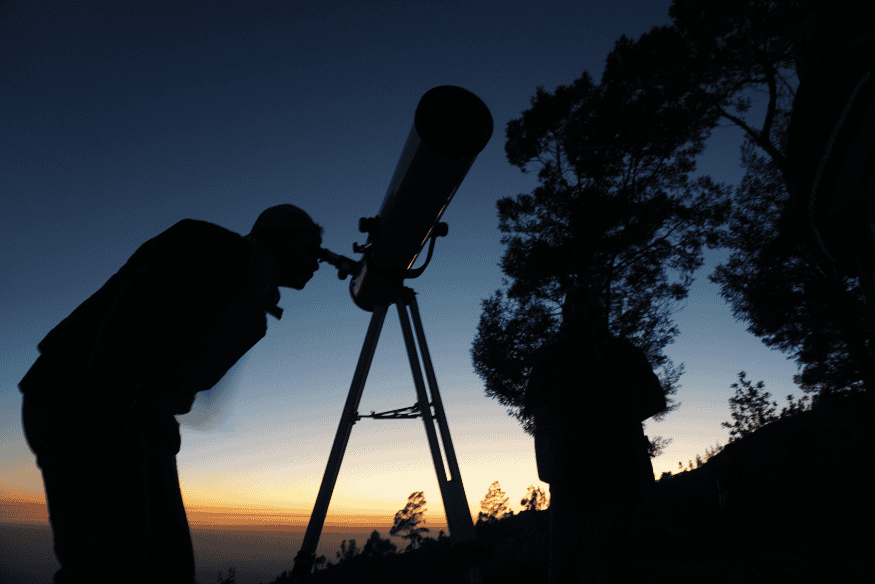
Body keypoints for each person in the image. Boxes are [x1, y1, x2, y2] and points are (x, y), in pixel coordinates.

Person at [18, 204, 323, 584]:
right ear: (284, 238)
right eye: (313, 246)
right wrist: (106, 417)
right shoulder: (211, 245)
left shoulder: (254, 306)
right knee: (106, 564)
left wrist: (155, 420)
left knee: (168, 566)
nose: (318, 261)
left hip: (135, 418)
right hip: (79, 401)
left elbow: (186, 376)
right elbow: (132, 315)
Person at [524, 284, 666, 584]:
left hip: (580, 470)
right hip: (611, 469)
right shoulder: (623, 353)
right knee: (608, 559)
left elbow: (535, 408)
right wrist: (620, 419)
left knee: (569, 559)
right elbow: (655, 399)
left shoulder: (551, 358)